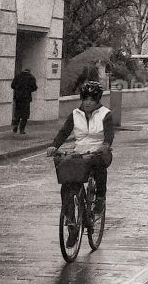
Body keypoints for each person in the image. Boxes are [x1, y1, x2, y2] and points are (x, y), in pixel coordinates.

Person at [46, 81, 115, 244]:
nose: (88, 102)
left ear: (98, 100)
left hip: (98, 152)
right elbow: (64, 132)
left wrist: (105, 146)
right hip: (80, 153)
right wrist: (54, 146)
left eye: (92, 99)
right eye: (85, 99)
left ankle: (99, 198)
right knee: (67, 185)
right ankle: (72, 226)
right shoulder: (75, 114)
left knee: (99, 164)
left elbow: (109, 134)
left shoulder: (106, 114)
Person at [11, 66, 37, 135]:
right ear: (29, 71)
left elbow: (12, 85)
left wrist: (18, 90)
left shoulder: (17, 76)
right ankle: (22, 129)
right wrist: (28, 90)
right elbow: (34, 88)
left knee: (17, 113)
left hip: (18, 98)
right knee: (25, 115)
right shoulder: (31, 77)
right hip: (26, 98)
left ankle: (15, 126)